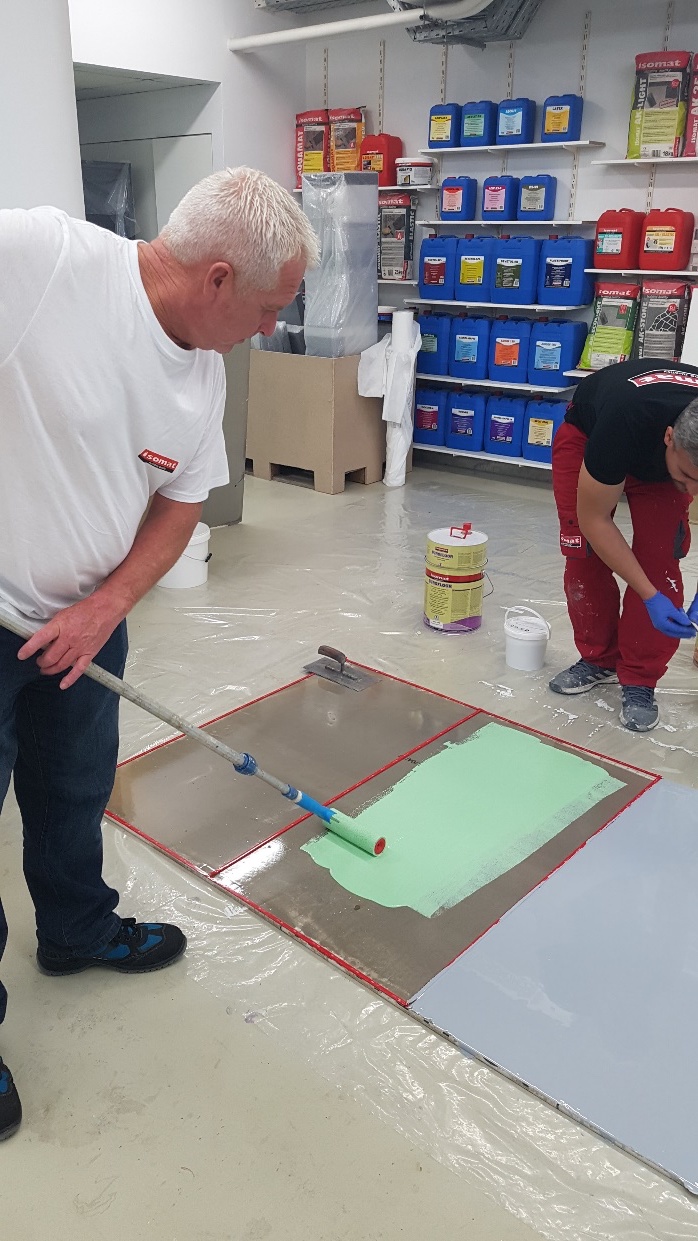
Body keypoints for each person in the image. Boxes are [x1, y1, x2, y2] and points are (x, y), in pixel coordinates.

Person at [0, 166, 320, 1140]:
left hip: (85, 624)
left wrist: (107, 605)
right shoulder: (43, 258)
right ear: (218, 278)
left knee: (73, 787)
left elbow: (181, 502)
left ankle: (76, 930)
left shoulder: (202, 368)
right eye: (268, 306)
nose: (270, 326)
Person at [549, 358, 698, 733]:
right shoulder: (623, 419)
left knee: (661, 561)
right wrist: (649, 596)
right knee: (584, 551)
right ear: (669, 437)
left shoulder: (688, 461)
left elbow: (687, 476)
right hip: (592, 435)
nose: (693, 492)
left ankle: (640, 678)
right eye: (687, 476)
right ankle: (599, 659)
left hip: (650, 441)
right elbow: (594, 521)